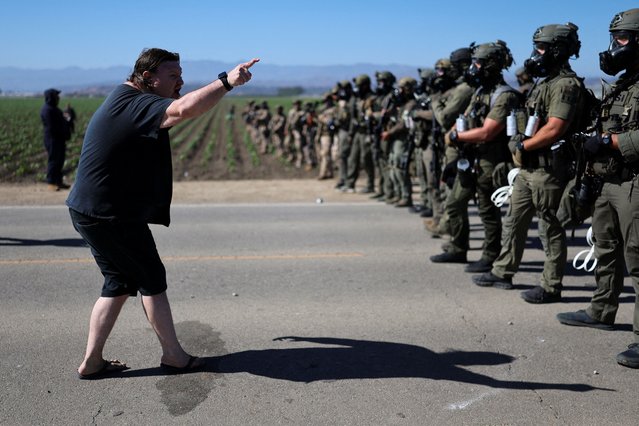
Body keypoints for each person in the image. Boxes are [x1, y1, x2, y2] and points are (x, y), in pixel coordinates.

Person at [66, 48, 258, 379]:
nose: (180, 80)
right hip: (110, 214)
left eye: (181, 74)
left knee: (119, 282)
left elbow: (175, 115)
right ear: (148, 78)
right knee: (151, 279)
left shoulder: (127, 98)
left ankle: (92, 362)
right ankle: (174, 356)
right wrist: (226, 81)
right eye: (173, 75)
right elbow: (183, 109)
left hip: (93, 209)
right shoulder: (135, 103)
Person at [472, 23, 585, 303]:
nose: (536, 53)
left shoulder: (566, 85)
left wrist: (523, 146)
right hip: (528, 168)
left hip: (549, 170)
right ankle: (502, 271)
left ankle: (550, 286)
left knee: (549, 229)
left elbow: (555, 127)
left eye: (542, 47)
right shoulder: (543, 82)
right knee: (514, 221)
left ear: (558, 50)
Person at [557, 8, 639, 369]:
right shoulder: (626, 82)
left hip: (635, 182)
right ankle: (602, 308)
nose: (614, 46)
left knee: (637, 259)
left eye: (620, 38)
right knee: (605, 247)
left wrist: (609, 142)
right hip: (609, 178)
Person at [430, 41, 521, 269]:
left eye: (478, 62)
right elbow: (463, 118)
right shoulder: (480, 92)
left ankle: (490, 256)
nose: (473, 67)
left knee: (487, 211)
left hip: (490, 161)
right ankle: (458, 248)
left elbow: (488, 132)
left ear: (492, 64)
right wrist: (453, 135)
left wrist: (456, 138)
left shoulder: (504, 95)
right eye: (473, 62)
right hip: (470, 158)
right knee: (454, 204)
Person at [40, 88, 71, 191]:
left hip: (59, 139)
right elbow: (53, 126)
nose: (58, 98)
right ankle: (51, 182)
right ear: (51, 98)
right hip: (53, 139)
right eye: (56, 96)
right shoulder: (47, 110)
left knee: (59, 160)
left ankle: (58, 181)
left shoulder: (54, 109)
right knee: (53, 160)